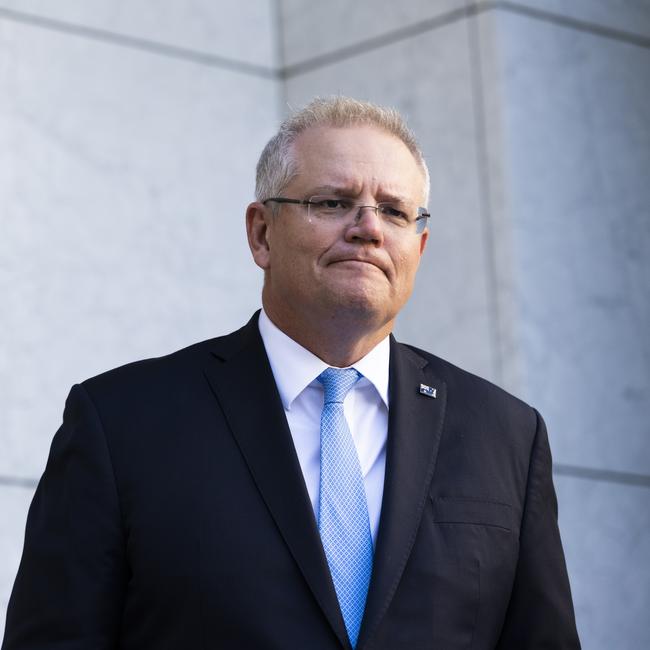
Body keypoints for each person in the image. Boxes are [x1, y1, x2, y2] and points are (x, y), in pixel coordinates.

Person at [2, 97, 581, 649]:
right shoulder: (121, 422)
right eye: (333, 202)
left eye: (395, 211)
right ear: (261, 234)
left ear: (419, 248)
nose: (368, 228)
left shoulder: (506, 435)